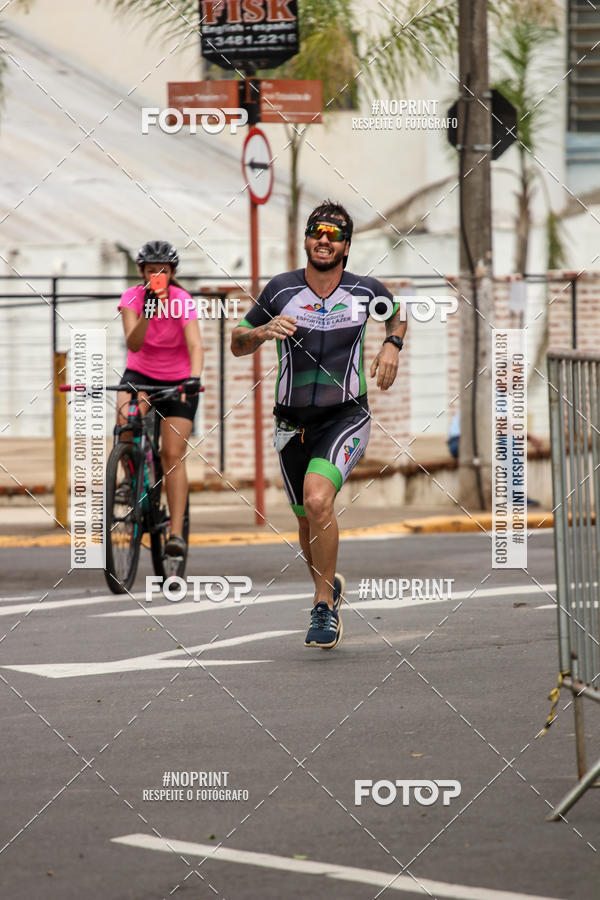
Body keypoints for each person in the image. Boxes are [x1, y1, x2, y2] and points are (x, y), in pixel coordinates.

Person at [231, 200, 406, 649]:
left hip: (345, 416)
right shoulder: (280, 290)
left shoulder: (366, 291)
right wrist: (262, 331)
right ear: (307, 239)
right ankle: (327, 587)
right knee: (307, 519)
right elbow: (237, 342)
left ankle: (323, 604)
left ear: (346, 245)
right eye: (316, 232)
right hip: (290, 424)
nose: (323, 239)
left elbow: (399, 312)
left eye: (334, 234)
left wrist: (390, 345)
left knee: (318, 499)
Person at [117, 240, 203, 556]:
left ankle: (176, 534)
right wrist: (149, 312)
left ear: (172, 272)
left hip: (179, 379)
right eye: (151, 270)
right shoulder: (132, 298)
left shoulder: (182, 300)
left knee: (172, 454)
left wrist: (194, 378)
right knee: (125, 424)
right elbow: (134, 344)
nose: (157, 275)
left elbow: (195, 344)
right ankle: (131, 478)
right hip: (140, 374)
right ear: (142, 272)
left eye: (163, 271)